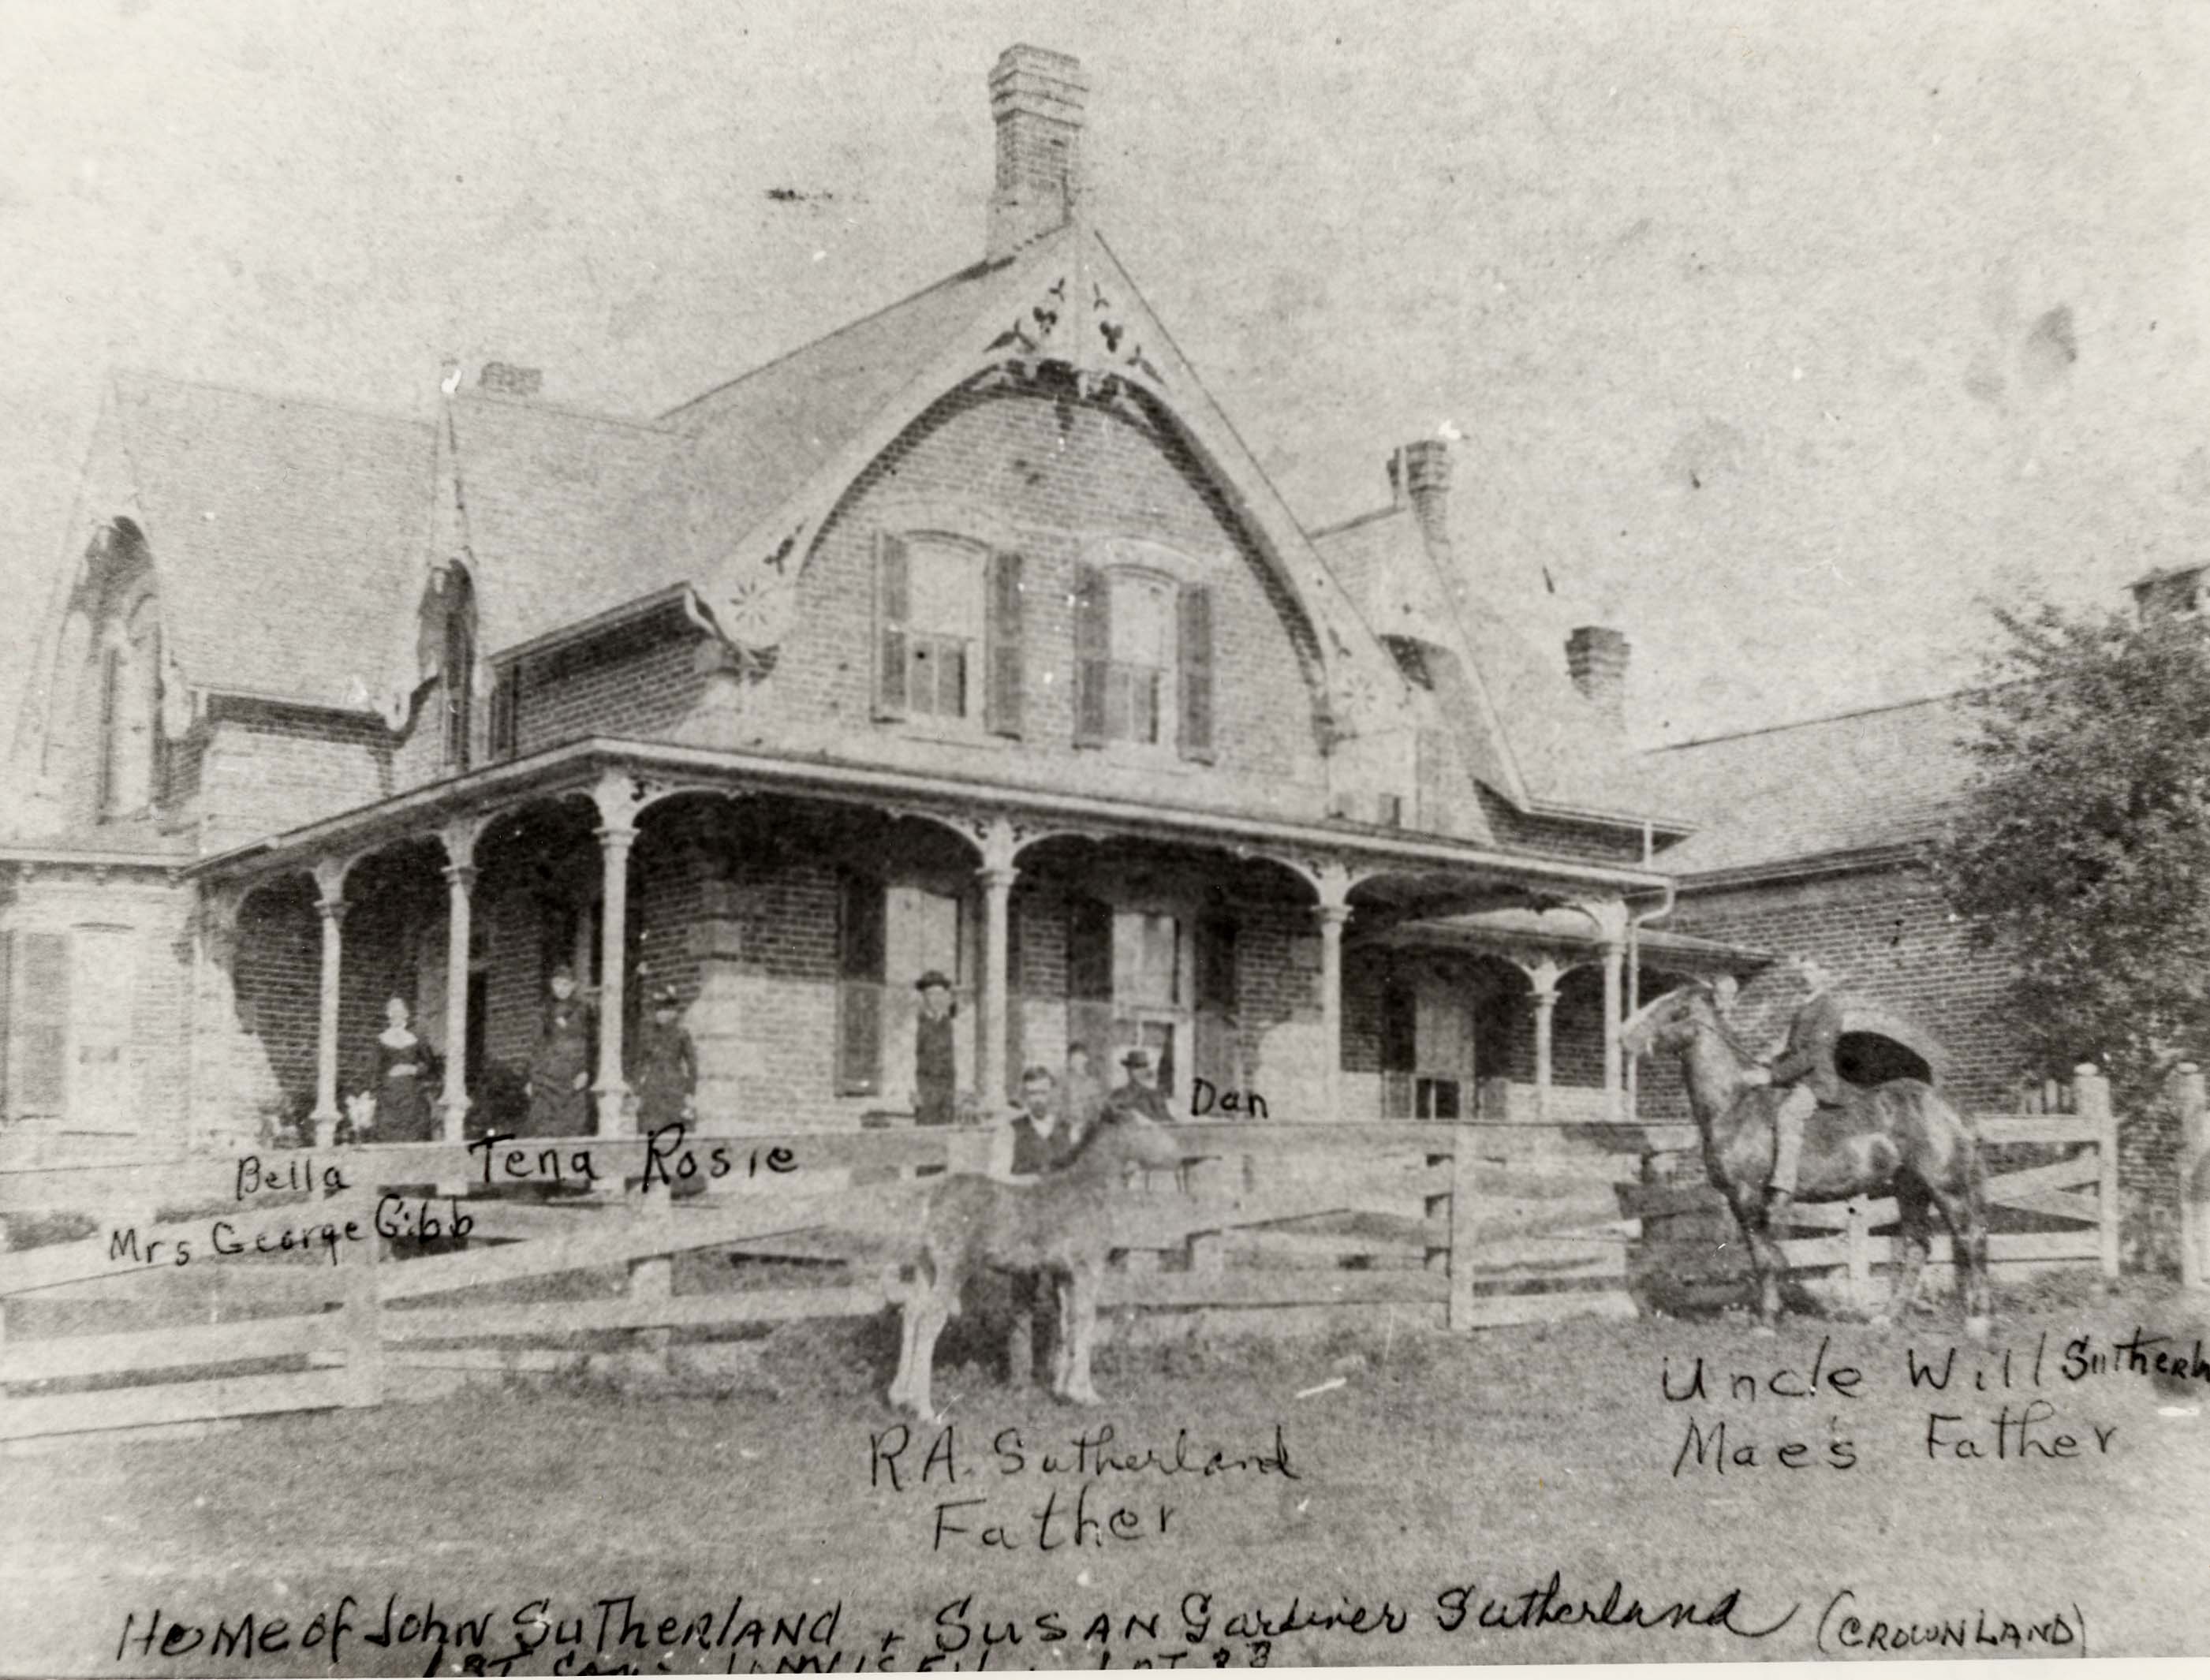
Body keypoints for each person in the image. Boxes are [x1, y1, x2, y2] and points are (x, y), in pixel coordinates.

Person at [1736, 958, 1846, 1230]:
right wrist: (1767, 1064)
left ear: (1825, 974)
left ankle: (1784, 1188)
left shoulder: (1828, 1007)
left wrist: (1773, 1076)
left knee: (1788, 1114)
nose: (1804, 976)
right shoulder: (1805, 1006)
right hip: (1796, 1077)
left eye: (1810, 970)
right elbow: (1793, 1051)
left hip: (1815, 1081)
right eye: (1801, 971)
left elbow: (1813, 1054)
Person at [524, 966, 595, 1137]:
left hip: (573, 1074)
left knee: (572, 1124)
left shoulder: (583, 1010)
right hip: (547, 1074)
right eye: (557, 984)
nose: (561, 989)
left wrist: (585, 1071)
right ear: (551, 984)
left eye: (565, 984)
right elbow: (537, 1045)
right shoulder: (544, 1011)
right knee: (543, 1125)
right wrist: (531, 1078)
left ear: (573, 985)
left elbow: (591, 1043)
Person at [360, 996, 437, 1144]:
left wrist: (413, 1069)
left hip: (412, 1094)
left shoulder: (417, 1038)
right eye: (392, 1010)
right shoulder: (381, 1040)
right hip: (388, 1096)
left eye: (400, 1010)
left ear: (406, 1014)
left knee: (415, 1132)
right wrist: (372, 1094)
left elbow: (430, 1065)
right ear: (388, 1014)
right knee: (386, 1135)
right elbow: (374, 1071)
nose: (396, 1014)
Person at [628, 984, 698, 1135]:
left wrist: (690, 1093)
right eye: (658, 1009)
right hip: (652, 1091)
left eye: (666, 1009)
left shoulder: (682, 1034)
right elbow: (639, 1064)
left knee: (675, 1133)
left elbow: (692, 1065)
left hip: (675, 1090)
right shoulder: (648, 1034)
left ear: (674, 1011)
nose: (661, 1014)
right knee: (649, 1131)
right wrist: (637, 1092)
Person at [913, 969, 959, 1127]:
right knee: (926, 1130)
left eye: (940, 994)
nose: (936, 999)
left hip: (947, 1089)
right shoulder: (917, 1023)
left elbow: (956, 1057)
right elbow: (908, 1059)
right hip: (925, 1088)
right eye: (931, 994)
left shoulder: (949, 1024)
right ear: (924, 997)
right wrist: (913, 1091)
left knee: (947, 1128)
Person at [1108, 1047, 1176, 1125]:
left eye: (1143, 1067)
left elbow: (1168, 1120)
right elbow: (1110, 1117)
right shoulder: (1118, 1094)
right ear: (1128, 1069)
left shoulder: (1155, 1095)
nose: (1139, 1071)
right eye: (1135, 1067)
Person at [1062, 1040, 1108, 1133]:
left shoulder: (1092, 1083)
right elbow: (1060, 1107)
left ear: (1086, 1059)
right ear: (1069, 1062)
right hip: (1069, 1127)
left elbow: (1099, 1108)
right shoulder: (1065, 1083)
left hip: (1088, 1128)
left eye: (1080, 1059)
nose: (1077, 1063)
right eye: (1074, 1060)